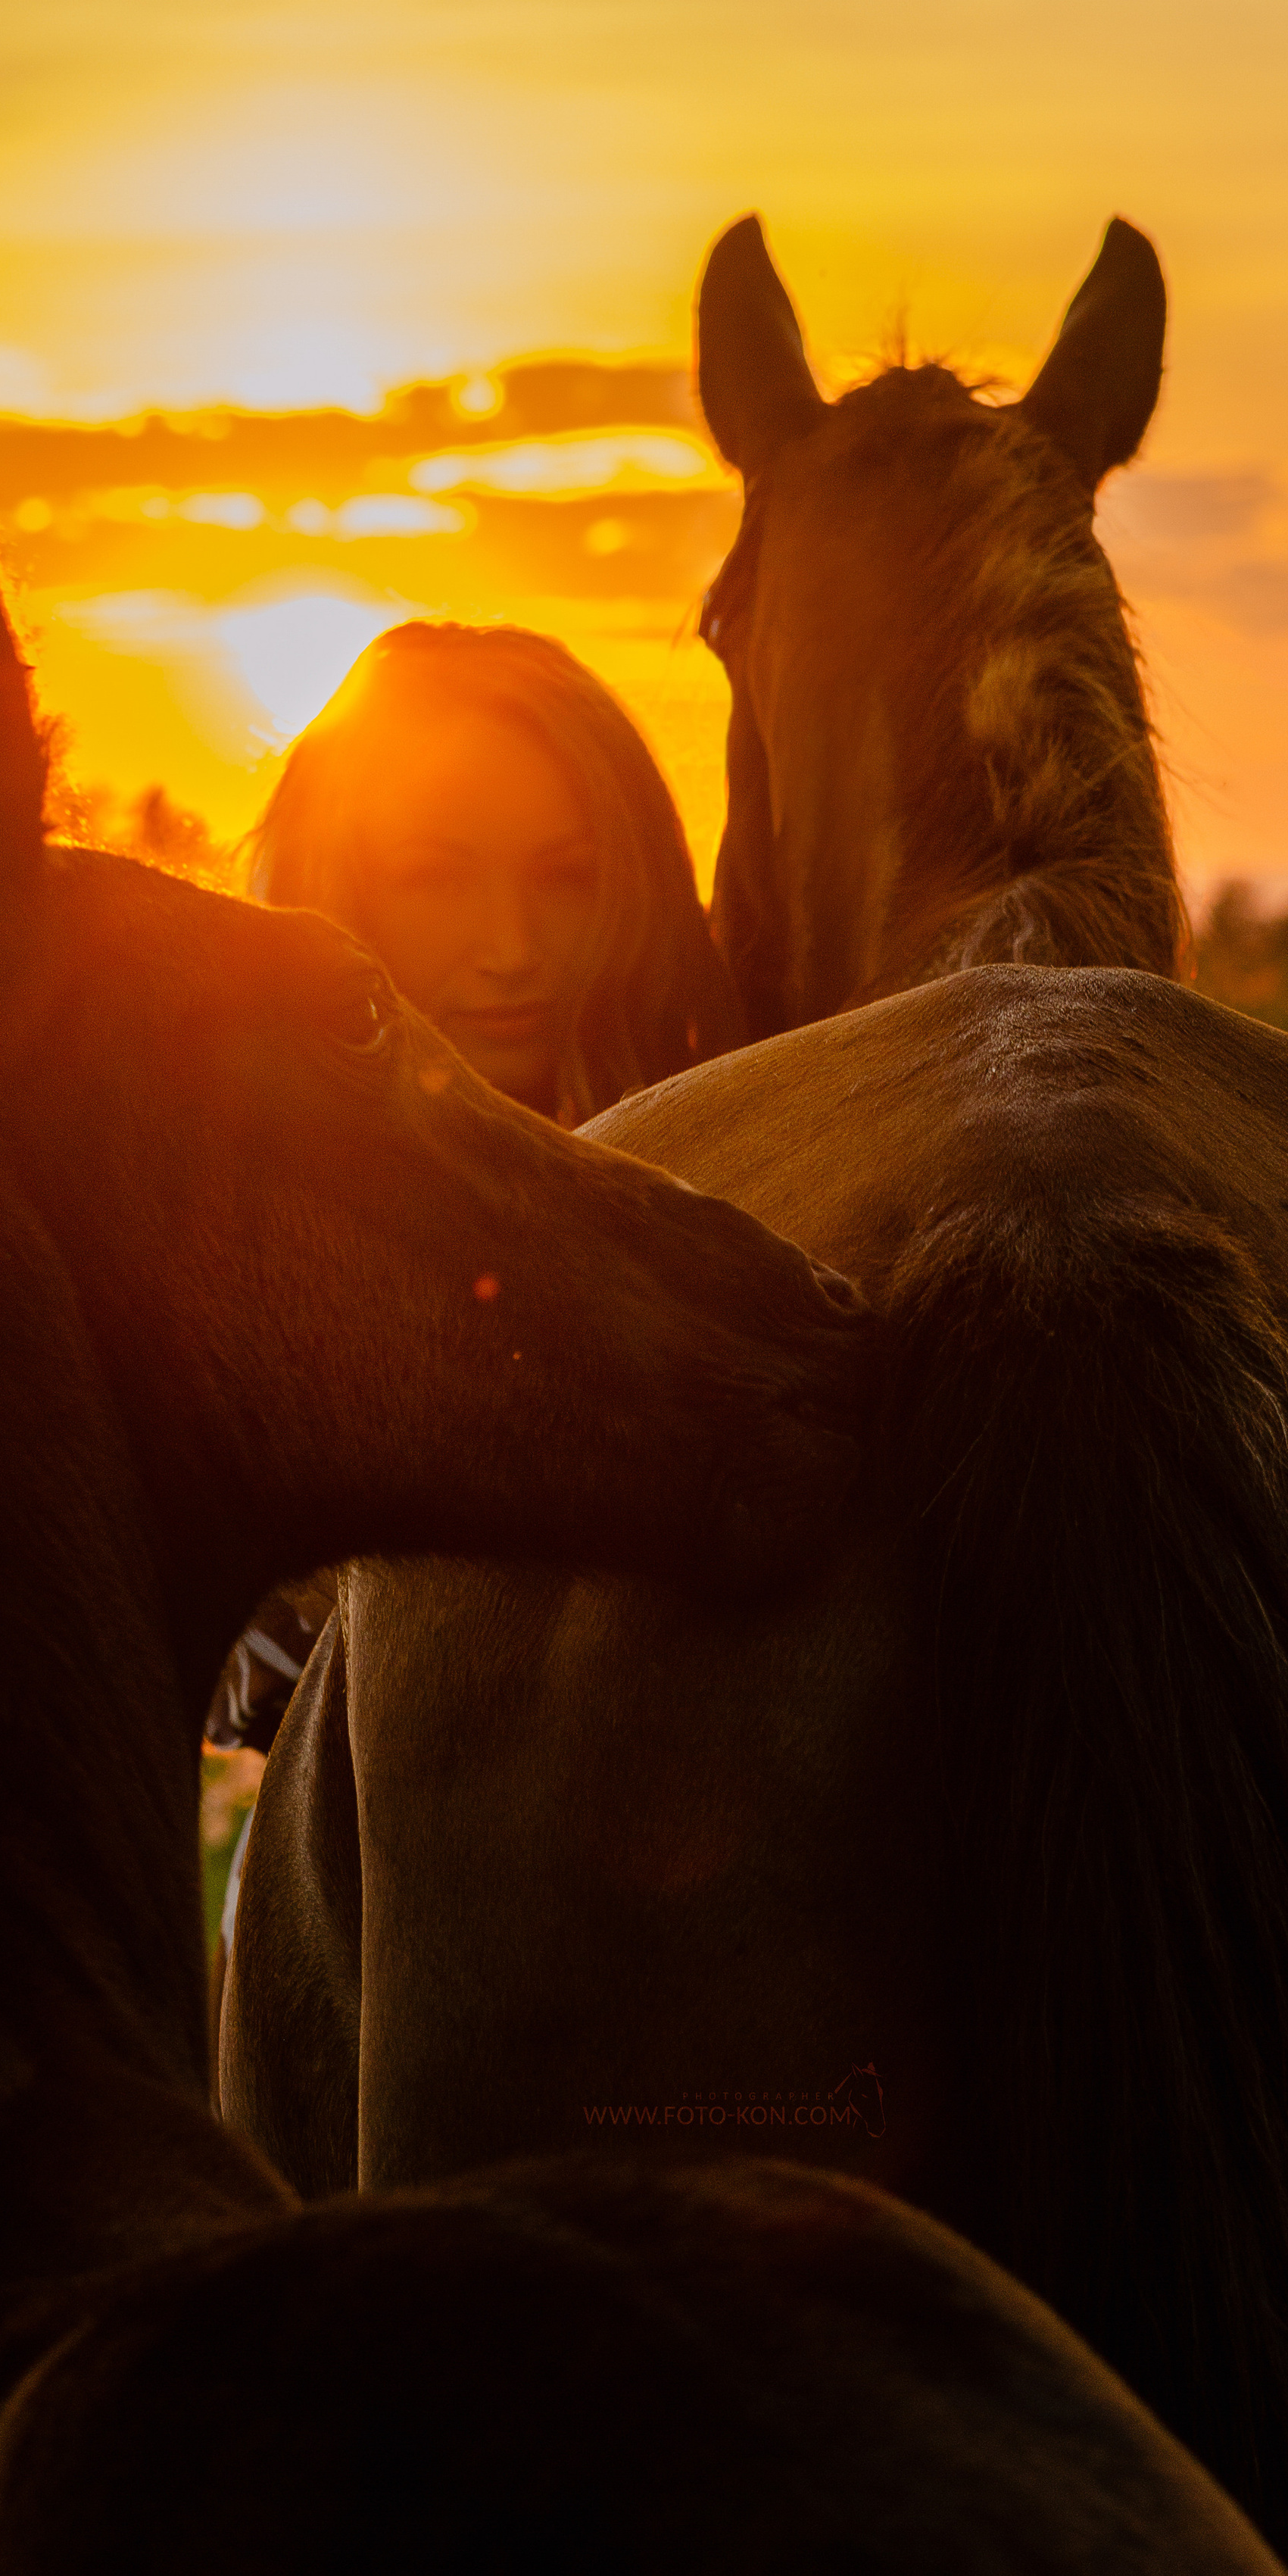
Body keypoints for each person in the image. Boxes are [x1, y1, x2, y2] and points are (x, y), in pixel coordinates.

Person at [206, 619, 741, 1766]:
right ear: (337, 891)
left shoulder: (742, 1190)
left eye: (565, 878)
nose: (509, 947)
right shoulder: (223, 1244)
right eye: (436, 879)